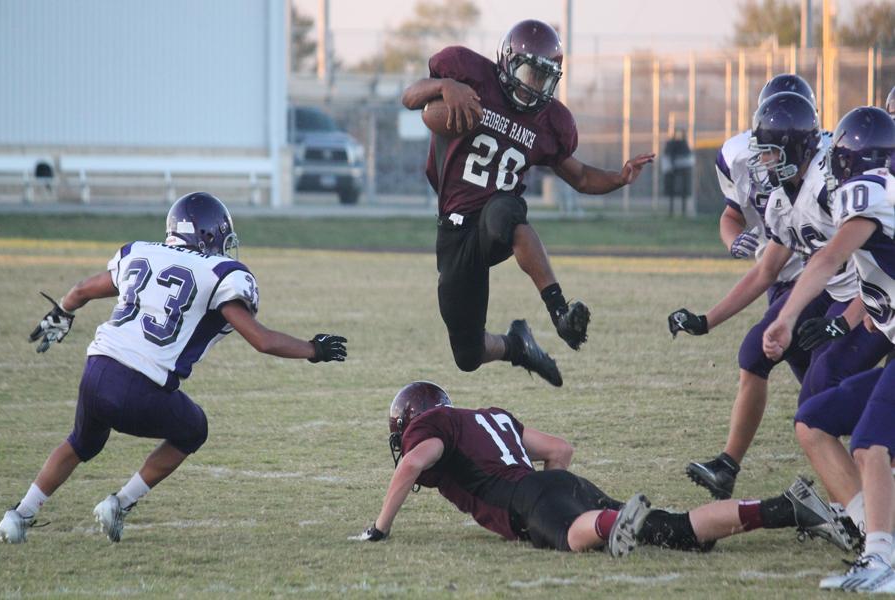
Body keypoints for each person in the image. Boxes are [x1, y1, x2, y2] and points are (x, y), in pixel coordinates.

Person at [0, 192, 348, 544]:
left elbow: (81, 290)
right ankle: (119, 503)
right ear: (209, 235)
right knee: (194, 430)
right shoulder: (219, 272)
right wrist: (313, 349)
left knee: (81, 441)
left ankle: (18, 516)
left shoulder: (140, 253)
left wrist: (62, 313)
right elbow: (261, 340)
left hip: (97, 369)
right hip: (140, 387)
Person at [401, 19, 654, 387]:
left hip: (496, 218)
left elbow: (579, 176)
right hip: (455, 230)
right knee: (468, 355)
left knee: (505, 212)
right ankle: (517, 345)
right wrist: (445, 86)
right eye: (529, 72)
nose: (534, 84)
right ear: (507, 61)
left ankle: (560, 312)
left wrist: (618, 177)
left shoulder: (550, 121)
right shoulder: (468, 73)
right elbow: (410, 98)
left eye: (544, 77)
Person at [669, 92, 893, 499]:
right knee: (780, 372)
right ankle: (857, 501)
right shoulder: (782, 197)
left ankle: (864, 497)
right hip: (842, 293)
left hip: (868, 300)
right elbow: (768, 269)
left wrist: (842, 321)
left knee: (824, 395)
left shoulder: (836, 188)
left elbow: (838, 261)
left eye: (771, 154)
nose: (762, 163)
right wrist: (708, 320)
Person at [353, 381, 857, 557]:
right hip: (563, 482)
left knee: (574, 539)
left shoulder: (432, 425)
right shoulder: (489, 415)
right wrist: (557, 489)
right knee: (681, 530)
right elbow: (560, 449)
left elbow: (415, 461)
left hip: (529, 498)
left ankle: (614, 525)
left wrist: (380, 528)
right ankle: (783, 509)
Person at [763, 107, 895, 592]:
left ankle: (883, 560)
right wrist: (842, 325)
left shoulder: (874, 189)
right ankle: (876, 537)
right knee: (814, 420)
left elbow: (830, 256)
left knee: (870, 442)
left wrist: (786, 315)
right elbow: (874, 286)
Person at [683, 76, 813, 500]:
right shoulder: (769, 188)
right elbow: (737, 225)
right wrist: (731, 242)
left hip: (824, 283)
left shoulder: (821, 177)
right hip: (783, 281)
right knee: (819, 391)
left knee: (806, 392)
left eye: (775, 147)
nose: (765, 157)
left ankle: (729, 465)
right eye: (763, 144)